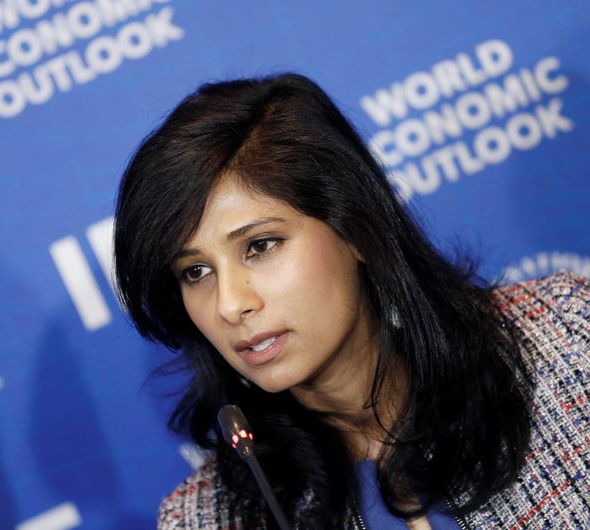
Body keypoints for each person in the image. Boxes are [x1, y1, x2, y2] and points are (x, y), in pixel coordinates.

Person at [113, 73, 590, 529]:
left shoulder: (566, 339)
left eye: (260, 246)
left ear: (356, 229)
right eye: (195, 272)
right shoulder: (208, 519)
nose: (229, 305)